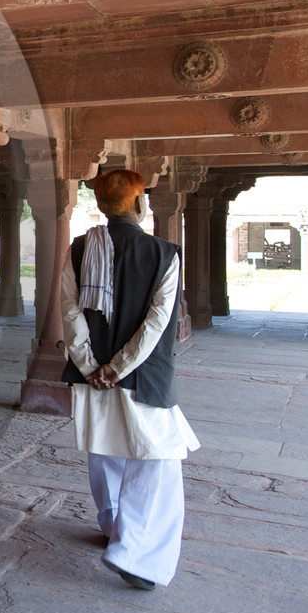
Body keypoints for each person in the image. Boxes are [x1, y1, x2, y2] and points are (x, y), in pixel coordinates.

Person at [60, 169, 199, 589]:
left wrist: (90, 365)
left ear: (102, 206)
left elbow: (69, 312)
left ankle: (112, 526)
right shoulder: (164, 254)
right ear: (141, 205)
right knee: (158, 462)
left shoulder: (80, 249)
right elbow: (157, 324)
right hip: (140, 377)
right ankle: (134, 555)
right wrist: (118, 368)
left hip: (92, 374)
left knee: (106, 451)